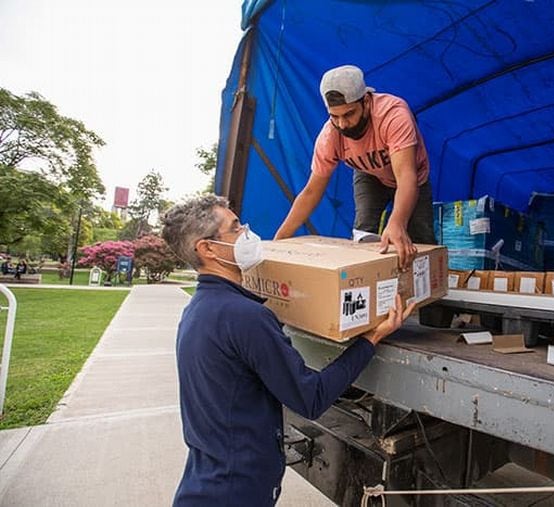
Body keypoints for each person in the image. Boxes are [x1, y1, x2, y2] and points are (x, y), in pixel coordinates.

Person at [161, 195, 415, 506]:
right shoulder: (245, 317)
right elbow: (311, 398)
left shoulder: (197, 311)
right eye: (236, 227)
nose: (247, 233)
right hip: (235, 493)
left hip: (206, 482)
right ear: (208, 249)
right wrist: (371, 339)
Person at [274, 64, 435, 268]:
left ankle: (426, 291)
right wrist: (278, 240)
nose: (342, 124)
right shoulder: (329, 137)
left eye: (349, 114)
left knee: (419, 236)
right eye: (334, 116)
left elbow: (405, 177)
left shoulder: (393, 114)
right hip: (369, 174)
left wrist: (397, 223)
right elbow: (311, 192)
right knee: (364, 233)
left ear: (366, 101)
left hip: (411, 176)